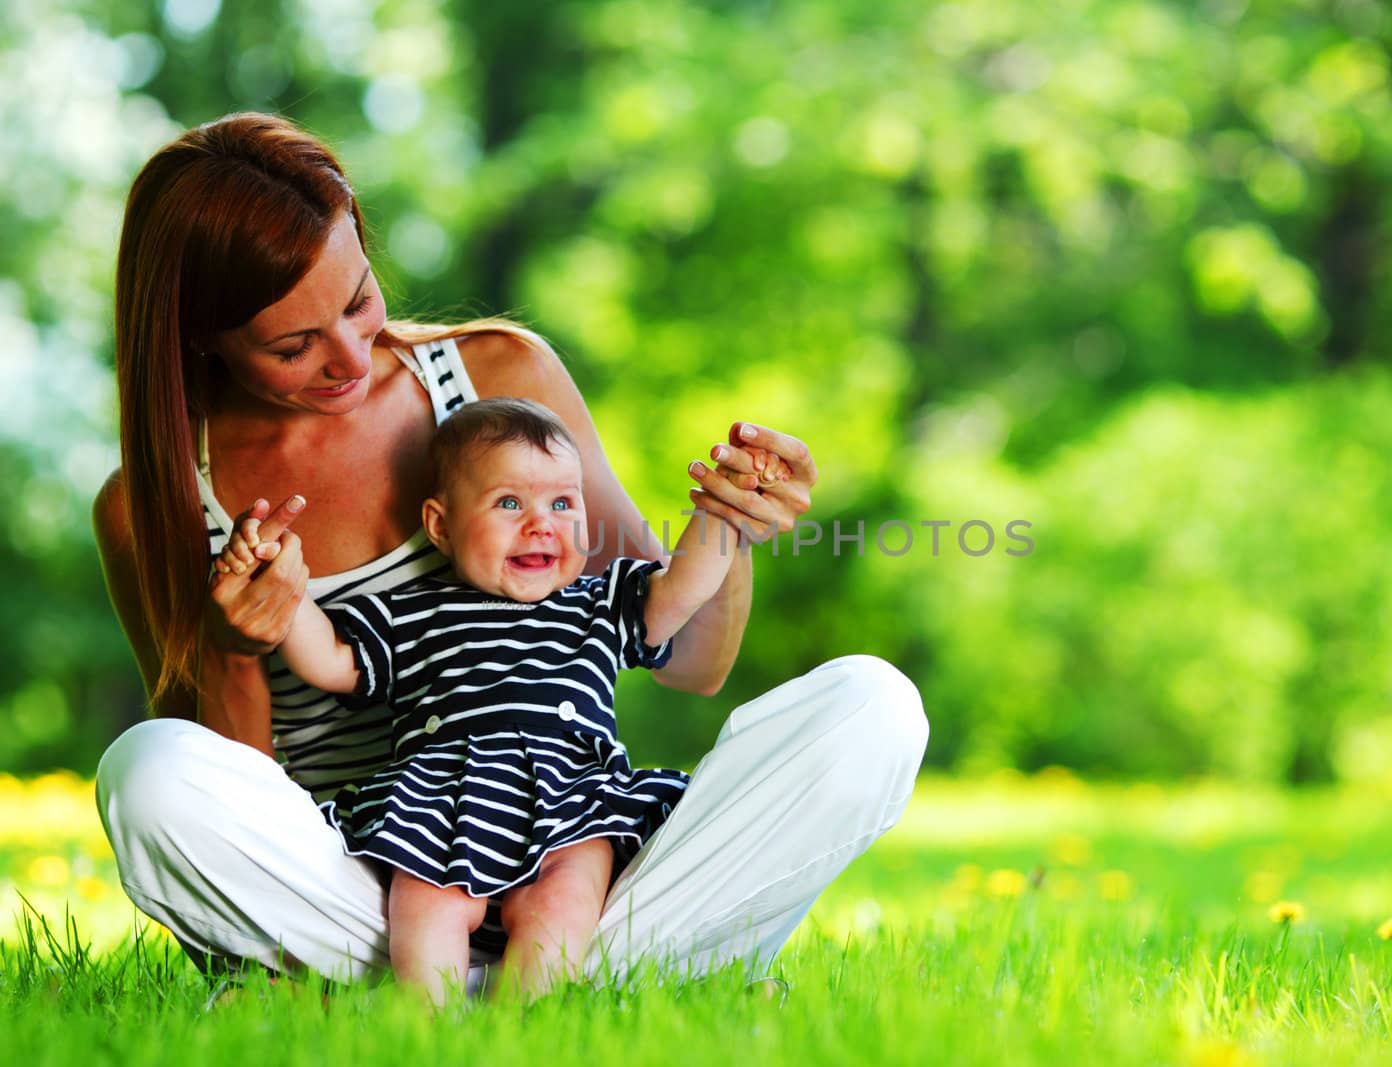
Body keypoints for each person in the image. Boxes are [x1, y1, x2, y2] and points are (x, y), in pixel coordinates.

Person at [92, 112, 927, 990]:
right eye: (294, 345)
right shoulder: (156, 505)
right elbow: (223, 801)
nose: (348, 357)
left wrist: (731, 522)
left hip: (576, 865)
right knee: (148, 771)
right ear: (201, 337)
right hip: (365, 888)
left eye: (358, 300)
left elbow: (689, 659)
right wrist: (236, 649)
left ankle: (519, 975)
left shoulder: (498, 379)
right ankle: (604, 978)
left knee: (873, 705)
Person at [216, 397, 770, 1002]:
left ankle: (527, 1017)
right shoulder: (413, 612)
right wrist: (286, 583)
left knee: (564, 902)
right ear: (441, 525)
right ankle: (428, 1020)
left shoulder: (600, 602)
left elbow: (683, 589)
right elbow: (327, 660)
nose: (540, 523)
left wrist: (725, 511)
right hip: (442, 800)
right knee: (425, 905)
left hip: (572, 799)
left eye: (562, 503)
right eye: (509, 503)